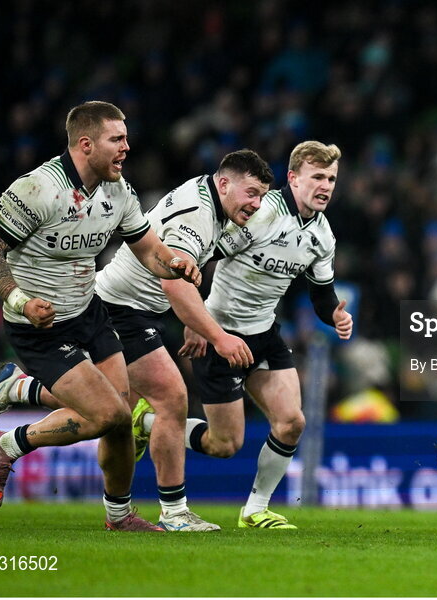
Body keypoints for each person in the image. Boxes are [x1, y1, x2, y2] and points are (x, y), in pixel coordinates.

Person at [0, 149, 274, 532]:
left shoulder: (213, 205)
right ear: (224, 183)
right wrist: (218, 336)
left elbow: (177, 270)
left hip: (129, 307)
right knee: (169, 398)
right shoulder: (198, 216)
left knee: (111, 410)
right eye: (251, 192)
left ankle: (22, 391)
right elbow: (173, 281)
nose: (256, 203)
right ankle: (175, 512)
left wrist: (196, 321)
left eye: (263, 196)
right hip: (123, 308)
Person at [0, 101, 202, 531]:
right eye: (117, 139)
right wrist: (21, 301)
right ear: (85, 144)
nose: (126, 148)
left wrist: (175, 264)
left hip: (89, 312)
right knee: (108, 415)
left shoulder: (118, 192)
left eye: (126, 139)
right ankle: (6, 445)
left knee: (120, 415)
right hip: (38, 325)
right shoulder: (37, 190)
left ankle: (119, 517)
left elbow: (149, 249)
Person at [145, 141, 352, 529]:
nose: (325, 185)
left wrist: (335, 314)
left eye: (332, 179)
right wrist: (195, 320)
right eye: (317, 177)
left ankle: (255, 509)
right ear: (293, 178)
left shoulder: (322, 235)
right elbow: (203, 258)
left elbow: (321, 293)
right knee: (225, 445)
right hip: (218, 333)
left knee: (292, 422)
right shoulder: (260, 213)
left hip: (265, 334)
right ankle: (148, 424)